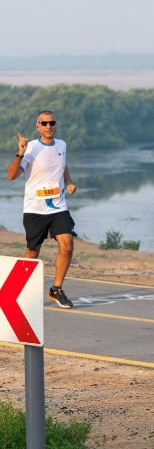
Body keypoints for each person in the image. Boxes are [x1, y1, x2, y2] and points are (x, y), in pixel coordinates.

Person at [8, 110, 77, 308]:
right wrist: (20, 152)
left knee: (67, 245)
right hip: (35, 210)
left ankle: (56, 289)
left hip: (58, 207)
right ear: (37, 126)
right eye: (44, 123)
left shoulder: (62, 145)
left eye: (51, 122)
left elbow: (62, 165)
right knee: (32, 252)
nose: (48, 126)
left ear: (55, 125)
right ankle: (16, 291)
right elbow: (12, 176)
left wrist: (69, 183)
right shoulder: (31, 148)